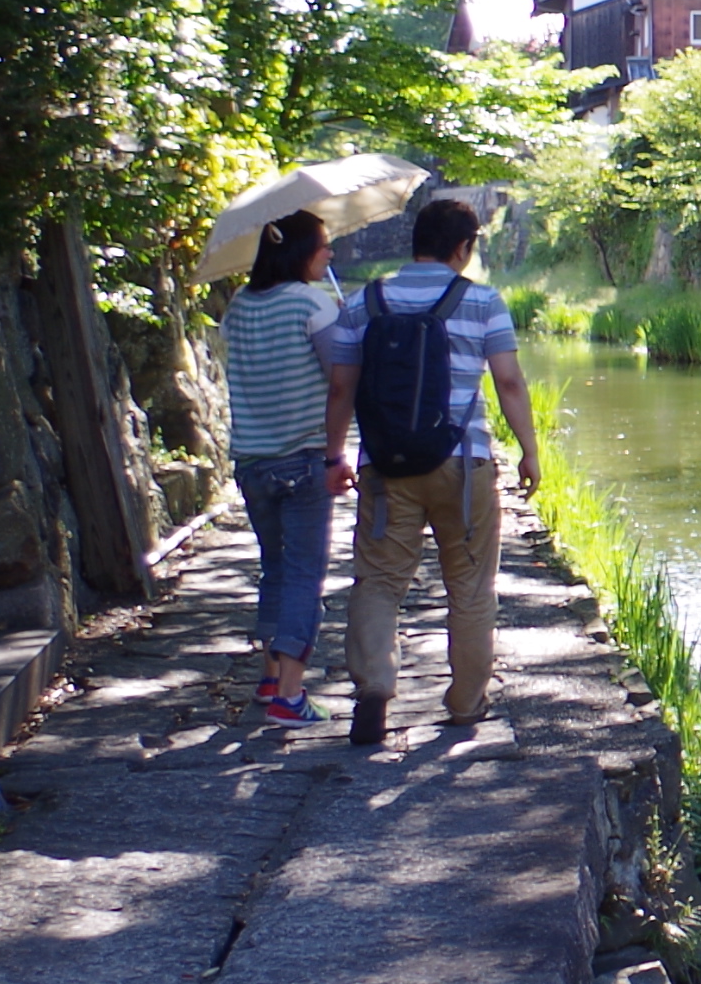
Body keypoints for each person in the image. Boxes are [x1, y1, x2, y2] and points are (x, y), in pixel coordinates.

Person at [314, 196, 540, 747]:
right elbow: (508, 382)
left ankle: (374, 688)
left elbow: (341, 387)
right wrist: (531, 451)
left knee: (380, 581)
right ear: (463, 248)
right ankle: (466, 705)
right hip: (463, 463)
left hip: (386, 466)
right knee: (469, 587)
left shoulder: (367, 301)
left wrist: (335, 454)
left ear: (415, 241)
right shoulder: (482, 301)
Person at [219, 212, 348, 726]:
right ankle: (290, 697)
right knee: (303, 574)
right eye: (324, 246)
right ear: (300, 252)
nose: (330, 255)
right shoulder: (312, 305)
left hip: (252, 462)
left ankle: (270, 675)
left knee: (274, 567)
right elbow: (341, 377)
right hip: (303, 460)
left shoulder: (239, 307)